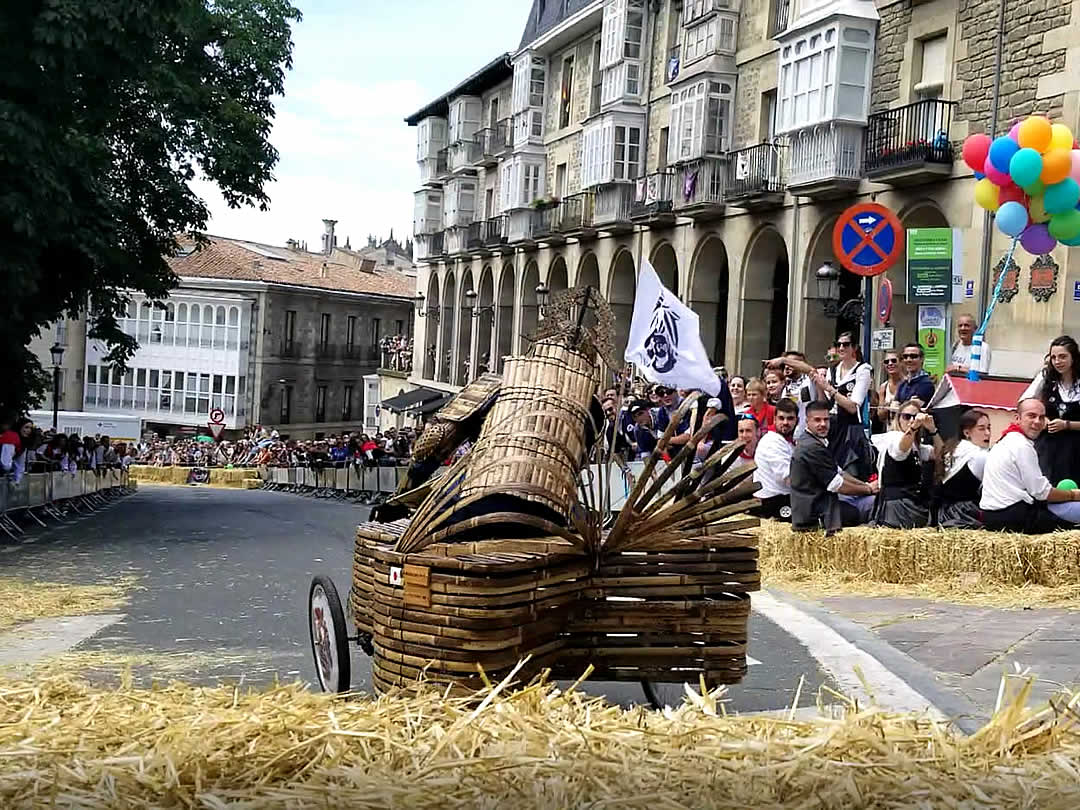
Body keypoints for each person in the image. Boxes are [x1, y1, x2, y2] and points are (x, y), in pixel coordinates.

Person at [981, 398, 1080, 533]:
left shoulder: (1006, 440)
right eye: (1031, 416)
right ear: (1017, 418)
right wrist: (1073, 495)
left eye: (1042, 417)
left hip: (991, 515)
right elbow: (1042, 492)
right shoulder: (1022, 445)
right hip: (1011, 517)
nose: (1037, 422)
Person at [790, 401, 879, 533]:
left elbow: (840, 473)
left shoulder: (817, 441)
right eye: (817, 420)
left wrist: (865, 484)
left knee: (863, 499)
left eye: (826, 420)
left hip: (822, 502)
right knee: (871, 505)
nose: (823, 424)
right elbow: (836, 484)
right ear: (807, 421)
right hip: (814, 515)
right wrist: (868, 489)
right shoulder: (811, 447)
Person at [870, 399, 941, 529]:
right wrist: (913, 427)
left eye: (914, 417)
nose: (911, 420)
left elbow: (941, 455)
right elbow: (901, 448)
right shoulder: (894, 437)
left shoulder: (918, 447)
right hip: (896, 506)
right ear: (899, 419)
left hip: (912, 503)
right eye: (907, 416)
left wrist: (933, 430)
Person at [1021, 335, 1080, 486]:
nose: (1057, 361)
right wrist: (1042, 419)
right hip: (1049, 444)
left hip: (1076, 446)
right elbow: (1024, 402)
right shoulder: (1046, 378)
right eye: (1053, 357)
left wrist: (1067, 425)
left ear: (1073, 357)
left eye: (1062, 357)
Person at [816, 332, 874, 480]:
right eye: (838, 344)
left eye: (846, 344)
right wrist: (819, 386)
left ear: (854, 347)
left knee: (850, 473)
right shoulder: (832, 370)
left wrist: (830, 389)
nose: (841, 348)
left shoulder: (863, 370)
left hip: (850, 430)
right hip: (832, 428)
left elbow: (853, 406)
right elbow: (826, 403)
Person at [934, 408, 991, 528]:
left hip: (940, 515)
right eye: (981, 428)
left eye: (989, 428)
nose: (987, 433)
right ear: (967, 433)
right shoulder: (978, 455)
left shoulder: (952, 448)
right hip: (963, 516)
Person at [752, 398, 798, 520]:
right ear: (774, 419)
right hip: (772, 503)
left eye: (790, 418)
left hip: (783, 497)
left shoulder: (788, 441)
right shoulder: (772, 441)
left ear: (797, 420)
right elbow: (789, 479)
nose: (785, 422)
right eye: (781, 418)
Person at [874, 350, 903, 434]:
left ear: (901, 362)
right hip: (890, 432)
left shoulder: (908, 384)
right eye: (886, 362)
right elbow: (881, 416)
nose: (890, 364)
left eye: (894, 360)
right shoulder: (883, 387)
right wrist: (888, 407)